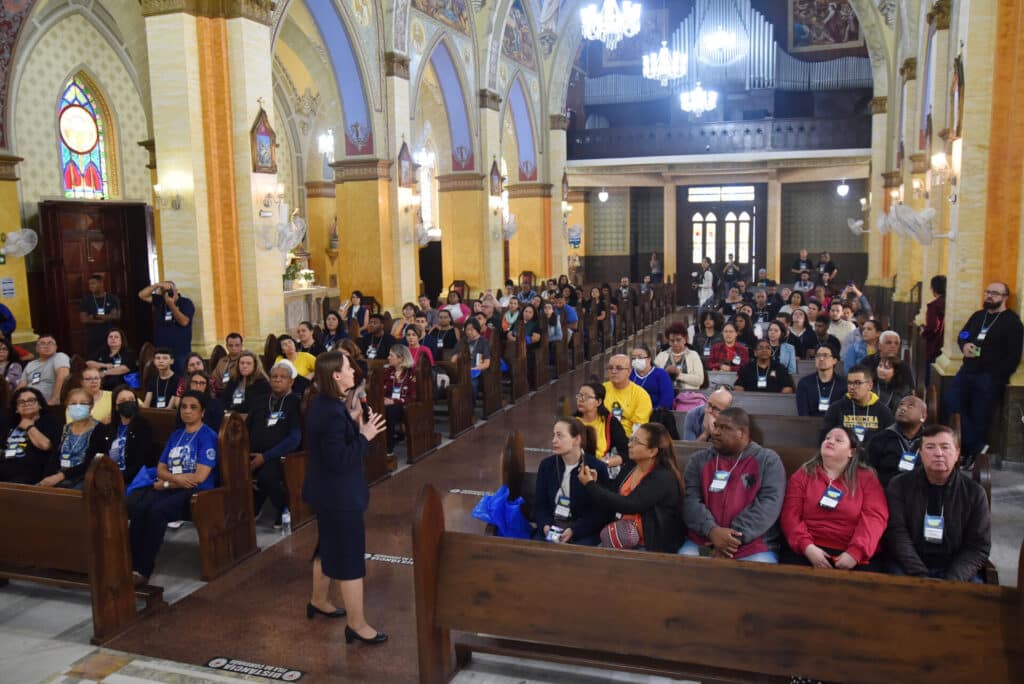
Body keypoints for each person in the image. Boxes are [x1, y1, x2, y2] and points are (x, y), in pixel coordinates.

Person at [303, 351, 388, 643]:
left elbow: (331, 445)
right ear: (336, 376)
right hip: (339, 496)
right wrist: (365, 434)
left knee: (326, 546)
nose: (354, 370)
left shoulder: (325, 405)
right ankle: (357, 625)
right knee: (350, 558)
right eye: (349, 367)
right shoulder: (329, 412)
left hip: (326, 492)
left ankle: (318, 600)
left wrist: (352, 423)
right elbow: (341, 460)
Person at [129, 391, 219, 585]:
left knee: (156, 512)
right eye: (184, 407)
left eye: (193, 407)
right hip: (174, 486)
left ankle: (143, 570)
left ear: (202, 412)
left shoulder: (207, 436)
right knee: (139, 508)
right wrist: (173, 480)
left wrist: (168, 482)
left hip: (198, 492)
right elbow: (161, 468)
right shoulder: (176, 435)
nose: (187, 411)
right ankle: (129, 565)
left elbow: (199, 477)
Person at [884, 425, 991, 582]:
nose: (938, 453)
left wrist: (952, 579)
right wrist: (921, 575)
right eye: (930, 447)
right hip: (909, 565)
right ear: (920, 453)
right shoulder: (899, 485)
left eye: (945, 447)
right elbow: (896, 533)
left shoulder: (974, 493)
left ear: (957, 453)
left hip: (956, 568)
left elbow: (978, 546)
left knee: (974, 602)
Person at [680, 408, 786, 562]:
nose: (715, 432)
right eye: (715, 426)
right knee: (682, 567)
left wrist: (730, 539)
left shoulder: (767, 460)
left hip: (752, 544)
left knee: (760, 577)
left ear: (741, 432)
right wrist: (712, 531)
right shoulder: (698, 460)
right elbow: (690, 501)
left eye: (724, 428)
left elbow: (768, 505)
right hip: (703, 539)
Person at [780, 427, 888, 570]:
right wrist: (807, 547)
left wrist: (855, 553)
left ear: (852, 452)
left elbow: (875, 517)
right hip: (808, 548)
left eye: (838, 440)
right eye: (828, 438)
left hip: (852, 552)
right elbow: (790, 515)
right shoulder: (804, 474)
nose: (830, 441)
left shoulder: (866, 477)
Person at [577, 423, 685, 553]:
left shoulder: (662, 477)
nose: (629, 445)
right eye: (631, 439)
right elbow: (613, 493)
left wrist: (590, 486)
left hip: (650, 546)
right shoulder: (632, 466)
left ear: (652, 451)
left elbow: (629, 505)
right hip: (621, 536)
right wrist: (595, 482)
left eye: (636, 442)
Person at [946, 282, 1024, 461]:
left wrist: (995, 375)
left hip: (989, 377)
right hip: (967, 371)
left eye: (995, 293)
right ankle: (978, 446)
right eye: (988, 292)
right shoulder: (978, 316)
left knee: (979, 415)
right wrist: (964, 344)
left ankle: (972, 457)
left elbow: (1013, 356)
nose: (989, 296)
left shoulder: (1012, 322)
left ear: (1005, 297)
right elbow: (963, 334)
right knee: (951, 400)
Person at [534, 418, 611, 546]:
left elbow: (601, 512)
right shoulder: (547, 465)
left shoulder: (596, 467)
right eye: (553, 435)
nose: (554, 440)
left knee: (576, 556)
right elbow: (539, 505)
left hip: (583, 532)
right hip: (553, 527)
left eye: (560, 436)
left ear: (577, 439)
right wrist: (545, 526)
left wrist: (575, 530)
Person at [248, 362, 303, 525]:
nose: (278, 380)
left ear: (291, 381)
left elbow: (294, 439)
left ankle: (285, 507)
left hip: (281, 455)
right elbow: (246, 429)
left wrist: (265, 457)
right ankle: (251, 506)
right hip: (254, 453)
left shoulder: (295, 402)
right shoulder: (260, 401)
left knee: (266, 476)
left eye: (283, 377)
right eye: (274, 377)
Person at [92, 384, 156, 485]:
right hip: (107, 477)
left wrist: (117, 479)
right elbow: (94, 455)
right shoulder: (105, 427)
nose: (127, 403)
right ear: (116, 406)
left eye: (131, 399)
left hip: (131, 478)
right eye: (122, 401)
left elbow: (140, 462)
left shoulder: (143, 426)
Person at [38, 388, 103, 489]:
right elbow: (54, 458)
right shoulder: (64, 429)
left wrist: (61, 476)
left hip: (83, 478)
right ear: (67, 406)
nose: (77, 406)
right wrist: (48, 478)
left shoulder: (100, 429)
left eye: (83, 403)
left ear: (91, 406)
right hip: (59, 476)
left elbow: (91, 463)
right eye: (73, 403)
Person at [821, 365, 895, 445]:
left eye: (857, 383)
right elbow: (825, 438)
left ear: (870, 385)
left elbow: (890, 442)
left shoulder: (884, 411)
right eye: (849, 383)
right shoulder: (835, 408)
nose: (852, 387)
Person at [866, 396, 927, 488]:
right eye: (901, 405)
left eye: (910, 406)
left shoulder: (930, 440)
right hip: (887, 492)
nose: (902, 408)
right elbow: (869, 471)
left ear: (923, 416)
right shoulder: (880, 439)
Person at [2, 388, 59, 484]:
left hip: (30, 472)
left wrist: (29, 426)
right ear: (16, 408)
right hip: (6, 466)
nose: (26, 403)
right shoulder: (10, 424)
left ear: (40, 404)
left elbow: (45, 445)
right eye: (21, 401)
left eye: (31, 400)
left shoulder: (49, 422)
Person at [575, 382, 629, 481]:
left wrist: (606, 463)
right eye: (579, 395)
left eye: (586, 397)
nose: (580, 399)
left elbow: (626, 452)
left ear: (598, 402)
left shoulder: (610, 422)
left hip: (601, 470)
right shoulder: (572, 422)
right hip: (575, 470)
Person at [138, 280, 194, 375]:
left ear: (176, 290)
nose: (168, 294)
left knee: (181, 379)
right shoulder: (160, 301)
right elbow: (142, 295)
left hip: (180, 352)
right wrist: (157, 285)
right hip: (161, 351)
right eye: (165, 292)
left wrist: (171, 305)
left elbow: (184, 322)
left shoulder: (186, 303)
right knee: (162, 377)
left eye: (170, 291)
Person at [603, 354, 653, 436]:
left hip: (627, 439)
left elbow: (639, 427)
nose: (613, 371)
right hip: (602, 437)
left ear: (629, 371)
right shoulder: (602, 389)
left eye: (619, 368)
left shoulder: (641, 395)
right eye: (610, 368)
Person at [382, 344, 416, 458]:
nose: (388, 357)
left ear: (400, 358)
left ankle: (388, 448)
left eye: (391, 355)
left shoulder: (411, 373)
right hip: (387, 403)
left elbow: (412, 397)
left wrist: (394, 402)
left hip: (405, 406)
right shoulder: (387, 371)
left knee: (389, 411)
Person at [17, 334, 70, 406]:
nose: (46, 346)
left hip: (46, 403)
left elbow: (63, 376)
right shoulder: (31, 364)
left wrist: (54, 400)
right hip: (27, 402)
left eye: (50, 343)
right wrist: (14, 402)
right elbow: (22, 385)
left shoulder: (59, 356)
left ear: (56, 347)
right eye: (42, 343)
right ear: (37, 349)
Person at [796, 344, 847, 417]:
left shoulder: (844, 384)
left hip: (836, 426)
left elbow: (844, 413)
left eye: (825, 355)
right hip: (809, 425)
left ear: (834, 360)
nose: (821, 358)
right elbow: (803, 413)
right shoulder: (804, 383)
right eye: (818, 355)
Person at [654, 322, 704, 392]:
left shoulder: (693, 355)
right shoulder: (661, 355)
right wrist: (665, 374)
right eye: (672, 340)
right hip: (665, 392)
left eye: (678, 340)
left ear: (685, 339)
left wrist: (678, 375)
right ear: (668, 341)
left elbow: (699, 380)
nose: (675, 343)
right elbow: (654, 378)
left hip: (688, 395)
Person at [80, 274, 121, 357]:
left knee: (111, 357)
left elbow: (116, 316)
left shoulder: (112, 298)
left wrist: (93, 316)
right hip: (93, 337)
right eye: (89, 284)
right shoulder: (86, 300)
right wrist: (107, 317)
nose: (90, 286)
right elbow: (84, 319)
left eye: (93, 283)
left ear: (101, 283)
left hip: (110, 335)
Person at [628, 344, 674, 410]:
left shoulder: (661, 374)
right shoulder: (629, 374)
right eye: (633, 358)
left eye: (640, 357)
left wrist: (655, 411)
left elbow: (667, 398)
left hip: (654, 414)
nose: (636, 360)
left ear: (649, 359)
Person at [920, 275, 946, 381]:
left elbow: (933, 326)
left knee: (930, 379)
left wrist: (923, 332)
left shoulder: (934, 306)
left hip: (935, 345)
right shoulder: (949, 303)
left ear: (934, 288)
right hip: (945, 347)